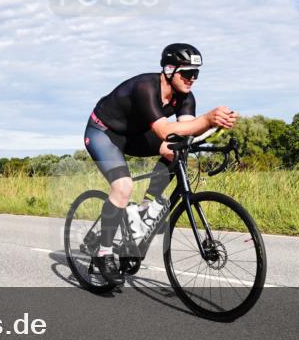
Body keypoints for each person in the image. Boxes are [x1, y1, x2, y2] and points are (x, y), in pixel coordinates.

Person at [83, 44, 237, 285]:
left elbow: (184, 134)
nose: (192, 79)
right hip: (104, 133)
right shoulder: (146, 87)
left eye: (196, 73)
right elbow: (165, 130)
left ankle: (146, 208)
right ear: (169, 69)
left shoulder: (185, 97)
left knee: (176, 151)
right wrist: (207, 119)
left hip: (135, 134)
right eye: (187, 73)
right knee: (123, 186)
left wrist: (214, 129)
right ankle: (103, 253)